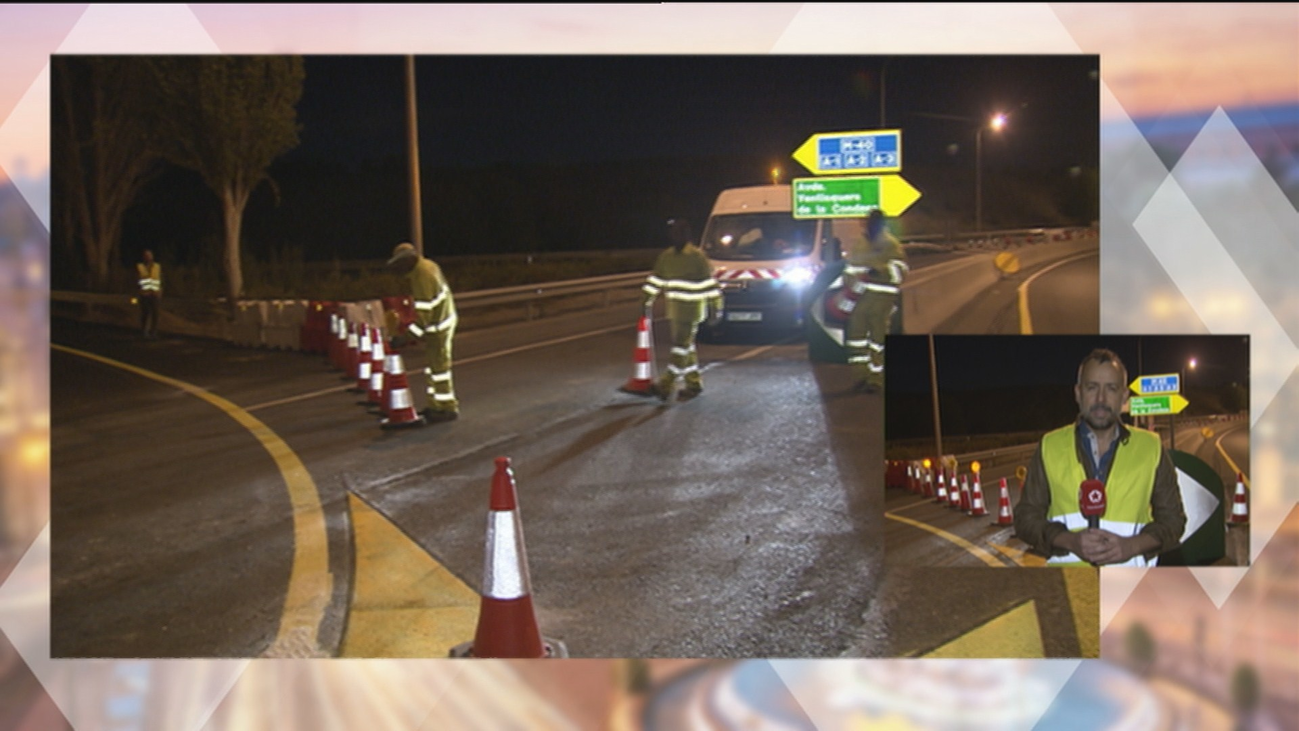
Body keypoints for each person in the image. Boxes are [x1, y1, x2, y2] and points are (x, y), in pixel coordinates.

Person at [1014, 348, 1187, 567]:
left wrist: (1131, 547)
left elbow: (1173, 521)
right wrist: (1071, 541)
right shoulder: (1050, 445)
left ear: (1124, 396)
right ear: (1078, 393)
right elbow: (1025, 519)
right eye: (1092, 387)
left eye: (1111, 389)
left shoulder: (1151, 447)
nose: (1101, 399)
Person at [641, 218, 723, 401]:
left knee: (680, 347)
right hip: (675, 310)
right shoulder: (667, 257)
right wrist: (645, 300)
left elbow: (710, 285)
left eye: (679, 232)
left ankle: (666, 384)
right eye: (673, 233)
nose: (675, 236)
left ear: (686, 235)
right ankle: (693, 383)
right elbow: (656, 280)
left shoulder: (697, 257)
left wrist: (716, 308)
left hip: (692, 311)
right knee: (687, 347)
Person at [387, 242, 458, 422]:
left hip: (439, 325)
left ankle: (447, 408)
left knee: (440, 369)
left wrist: (405, 338)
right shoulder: (426, 266)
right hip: (441, 321)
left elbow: (424, 316)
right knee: (434, 367)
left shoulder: (422, 276)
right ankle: (436, 405)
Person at [844, 208, 907, 394]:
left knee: (878, 339)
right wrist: (852, 288)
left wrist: (880, 270)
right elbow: (850, 269)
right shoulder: (860, 244)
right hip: (860, 297)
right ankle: (860, 376)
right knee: (856, 338)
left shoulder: (890, 244)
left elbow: (901, 271)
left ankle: (877, 379)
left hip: (882, 296)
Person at [136, 249, 162, 338]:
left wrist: (160, 291)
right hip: (144, 294)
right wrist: (139, 292)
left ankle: (154, 332)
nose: (148, 257)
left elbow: (160, 279)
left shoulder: (157, 266)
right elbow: (137, 281)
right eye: (146, 255)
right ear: (143, 257)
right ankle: (144, 332)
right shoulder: (140, 267)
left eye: (149, 255)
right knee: (145, 314)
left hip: (155, 294)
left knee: (155, 314)